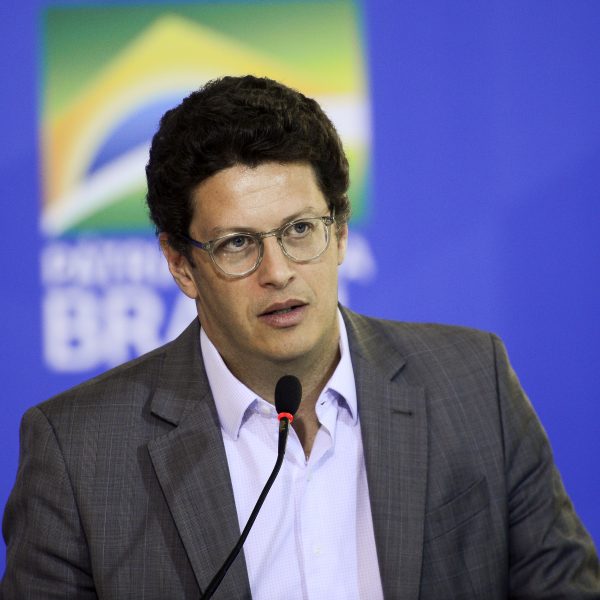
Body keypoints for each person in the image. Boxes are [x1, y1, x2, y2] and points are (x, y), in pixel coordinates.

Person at [2, 75, 599, 600]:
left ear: (340, 232)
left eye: (299, 230)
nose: (278, 271)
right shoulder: (79, 452)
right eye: (237, 243)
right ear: (181, 265)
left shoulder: (473, 383)